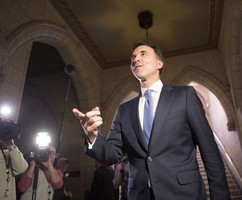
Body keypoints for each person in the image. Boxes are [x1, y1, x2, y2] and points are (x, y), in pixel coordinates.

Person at [73, 41, 231, 200]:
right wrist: (92, 136)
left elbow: (209, 150)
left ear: (159, 63)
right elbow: (112, 154)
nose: (136, 59)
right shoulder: (124, 110)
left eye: (143, 54)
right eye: (133, 57)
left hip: (184, 194)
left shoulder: (184, 96)